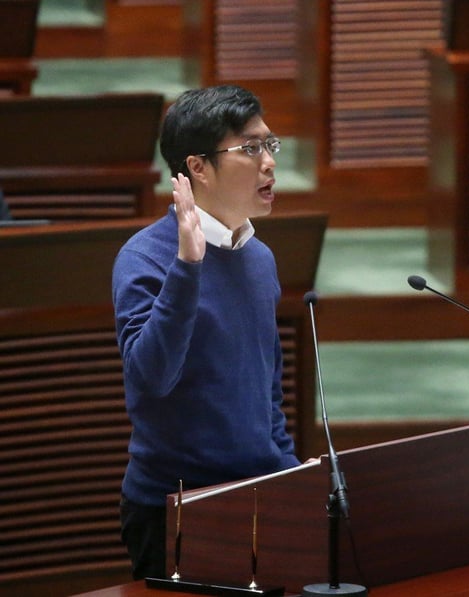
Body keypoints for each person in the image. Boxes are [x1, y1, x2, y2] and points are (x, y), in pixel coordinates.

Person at [112, 85, 301, 579]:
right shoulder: (145, 257)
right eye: (250, 148)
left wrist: (291, 479)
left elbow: (267, 390)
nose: (269, 163)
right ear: (198, 167)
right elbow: (151, 377)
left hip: (260, 494)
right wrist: (188, 266)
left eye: (269, 145)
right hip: (177, 506)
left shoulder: (259, 258)